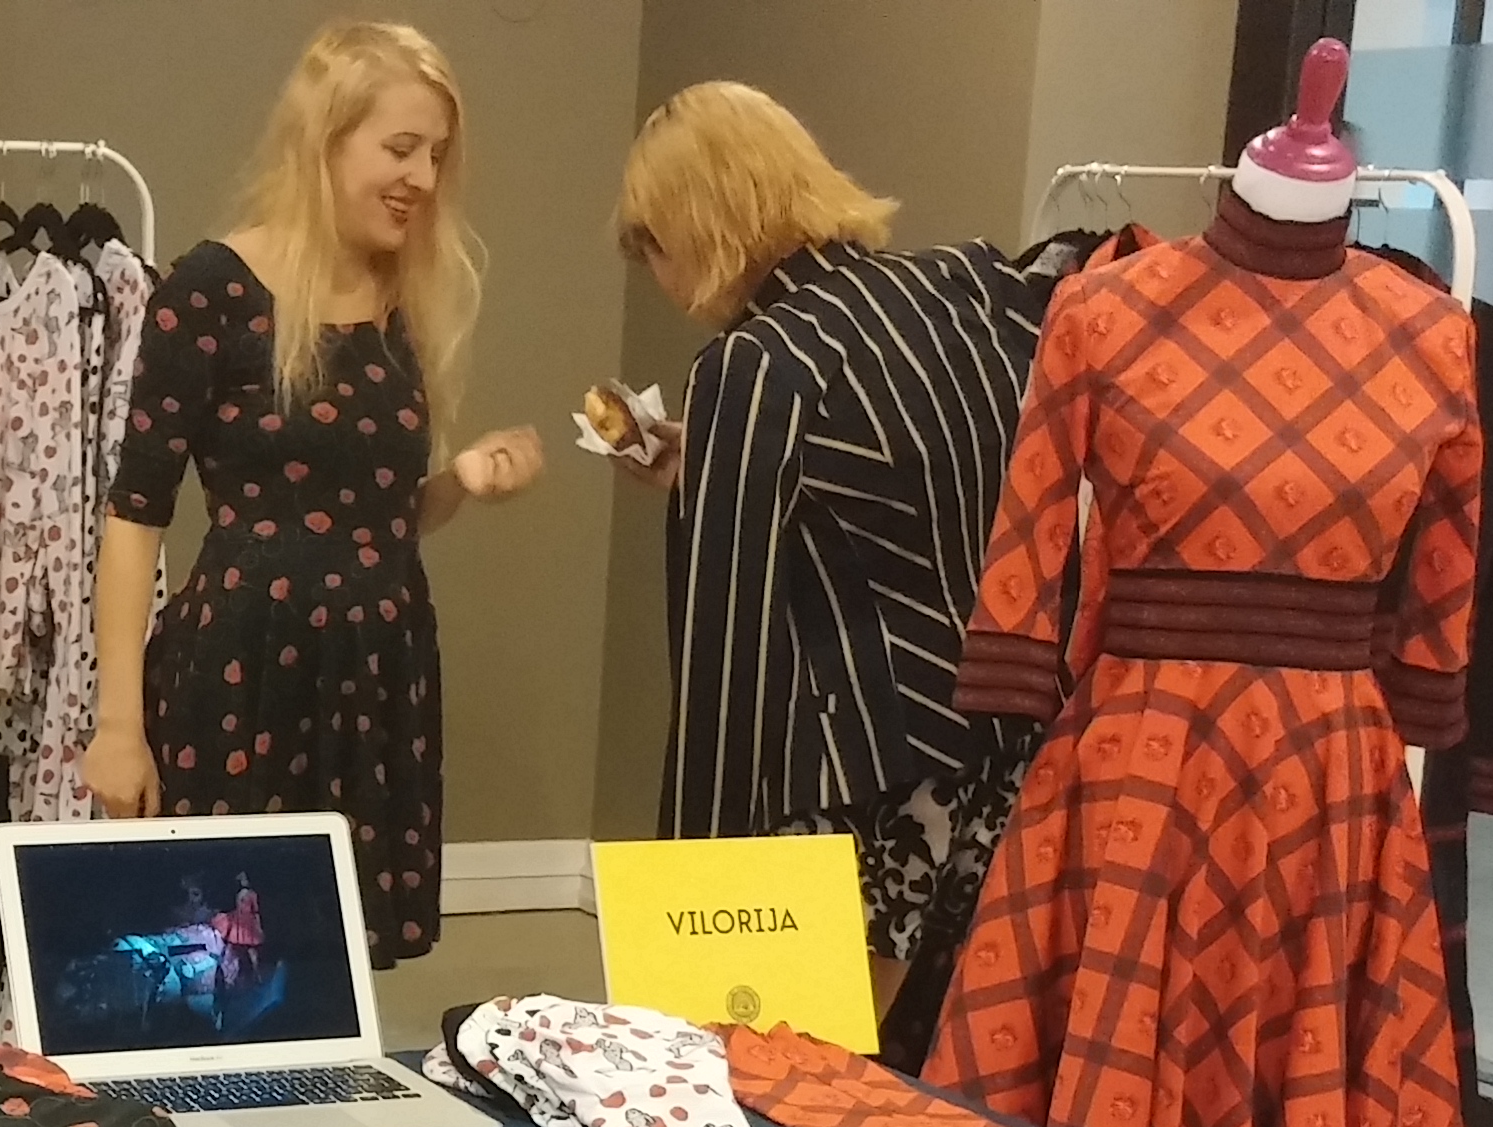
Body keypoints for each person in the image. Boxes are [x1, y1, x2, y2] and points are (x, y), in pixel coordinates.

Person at [607, 82, 1075, 1037]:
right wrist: (714, 468)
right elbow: (921, 486)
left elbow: (723, 652)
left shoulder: (756, 365)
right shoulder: (978, 289)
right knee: (946, 1072)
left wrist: (693, 888)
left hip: (866, 783)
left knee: (797, 1088)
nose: (655, 273)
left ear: (694, 224)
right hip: (1011, 754)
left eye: (648, 244)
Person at [87, 19, 548, 966]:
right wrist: (118, 727)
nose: (423, 178)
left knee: (335, 970)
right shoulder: (210, 291)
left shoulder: (401, 303)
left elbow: (369, 521)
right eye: (401, 148)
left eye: (437, 156)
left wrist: (458, 484)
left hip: (375, 682)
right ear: (324, 140)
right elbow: (134, 518)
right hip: (243, 677)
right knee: (220, 963)